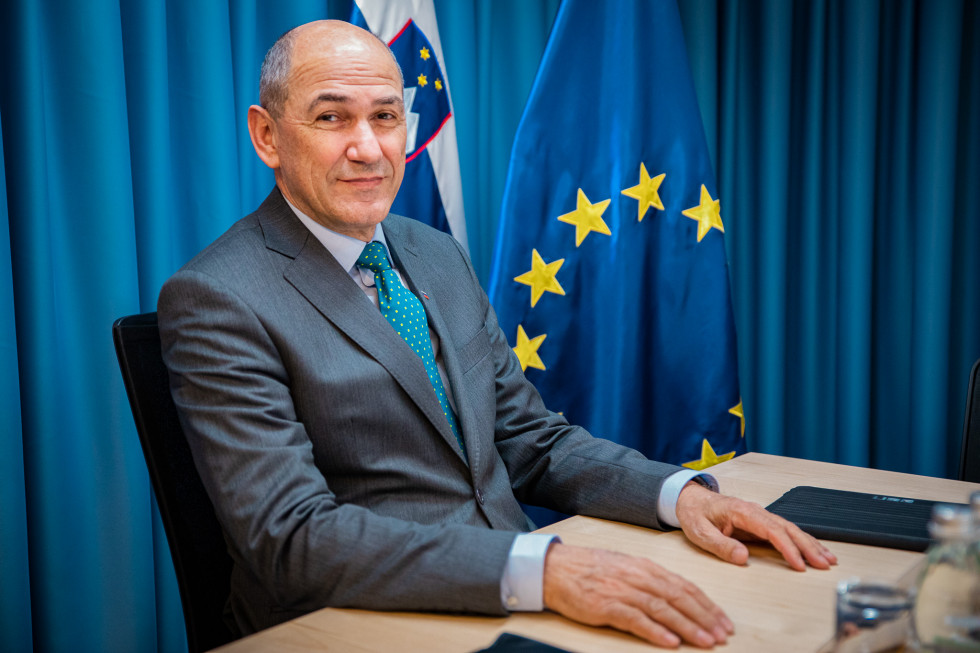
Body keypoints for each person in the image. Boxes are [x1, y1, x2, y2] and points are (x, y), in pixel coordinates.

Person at [158, 19, 836, 649]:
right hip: (354, 622)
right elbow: (292, 537)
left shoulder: (433, 254)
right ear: (268, 135)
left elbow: (527, 439)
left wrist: (679, 494)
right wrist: (544, 569)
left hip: (508, 600)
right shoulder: (218, 298)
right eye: (332, 117)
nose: (367, 148)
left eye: (386, 117)